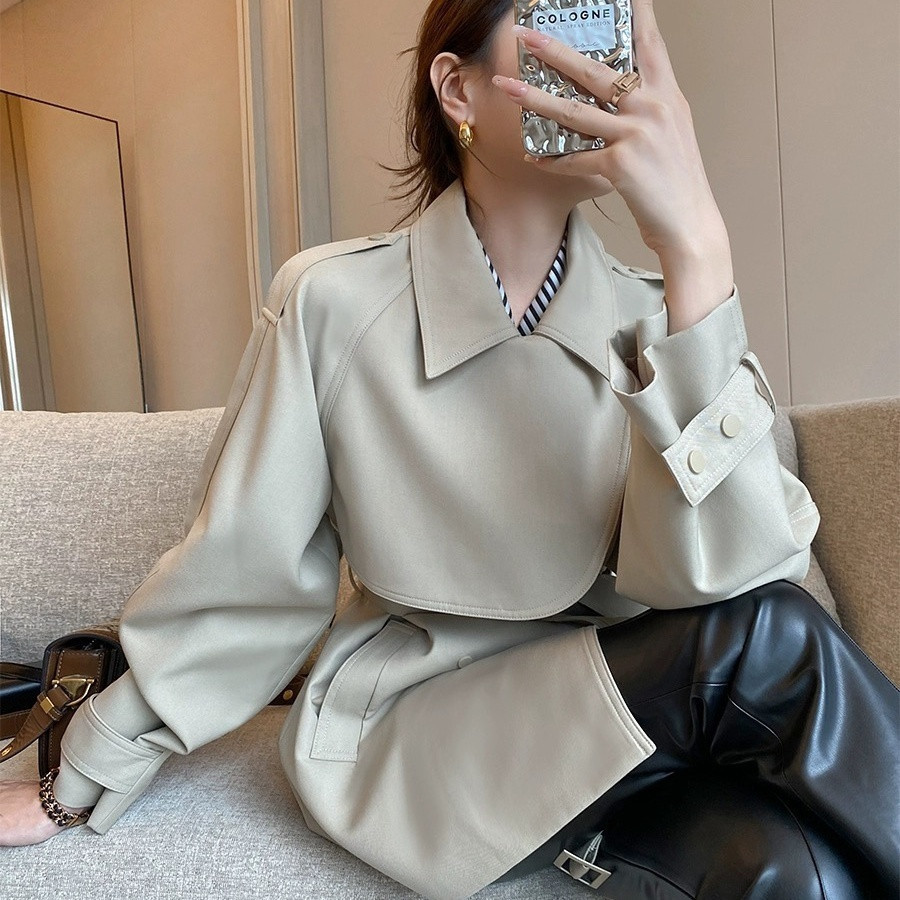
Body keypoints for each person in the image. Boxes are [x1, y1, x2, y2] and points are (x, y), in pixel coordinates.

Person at [1, 1, 897, 898]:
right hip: (421, 727)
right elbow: (247, 579)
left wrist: (697, 249)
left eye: (614, 41)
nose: (603, 79)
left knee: (793, 871)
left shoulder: (661, 311)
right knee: (768, 638)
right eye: (564, 30)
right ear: (457, 87)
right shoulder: (333, 302)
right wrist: (78, 772)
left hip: (625, 721)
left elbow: (732, 580)